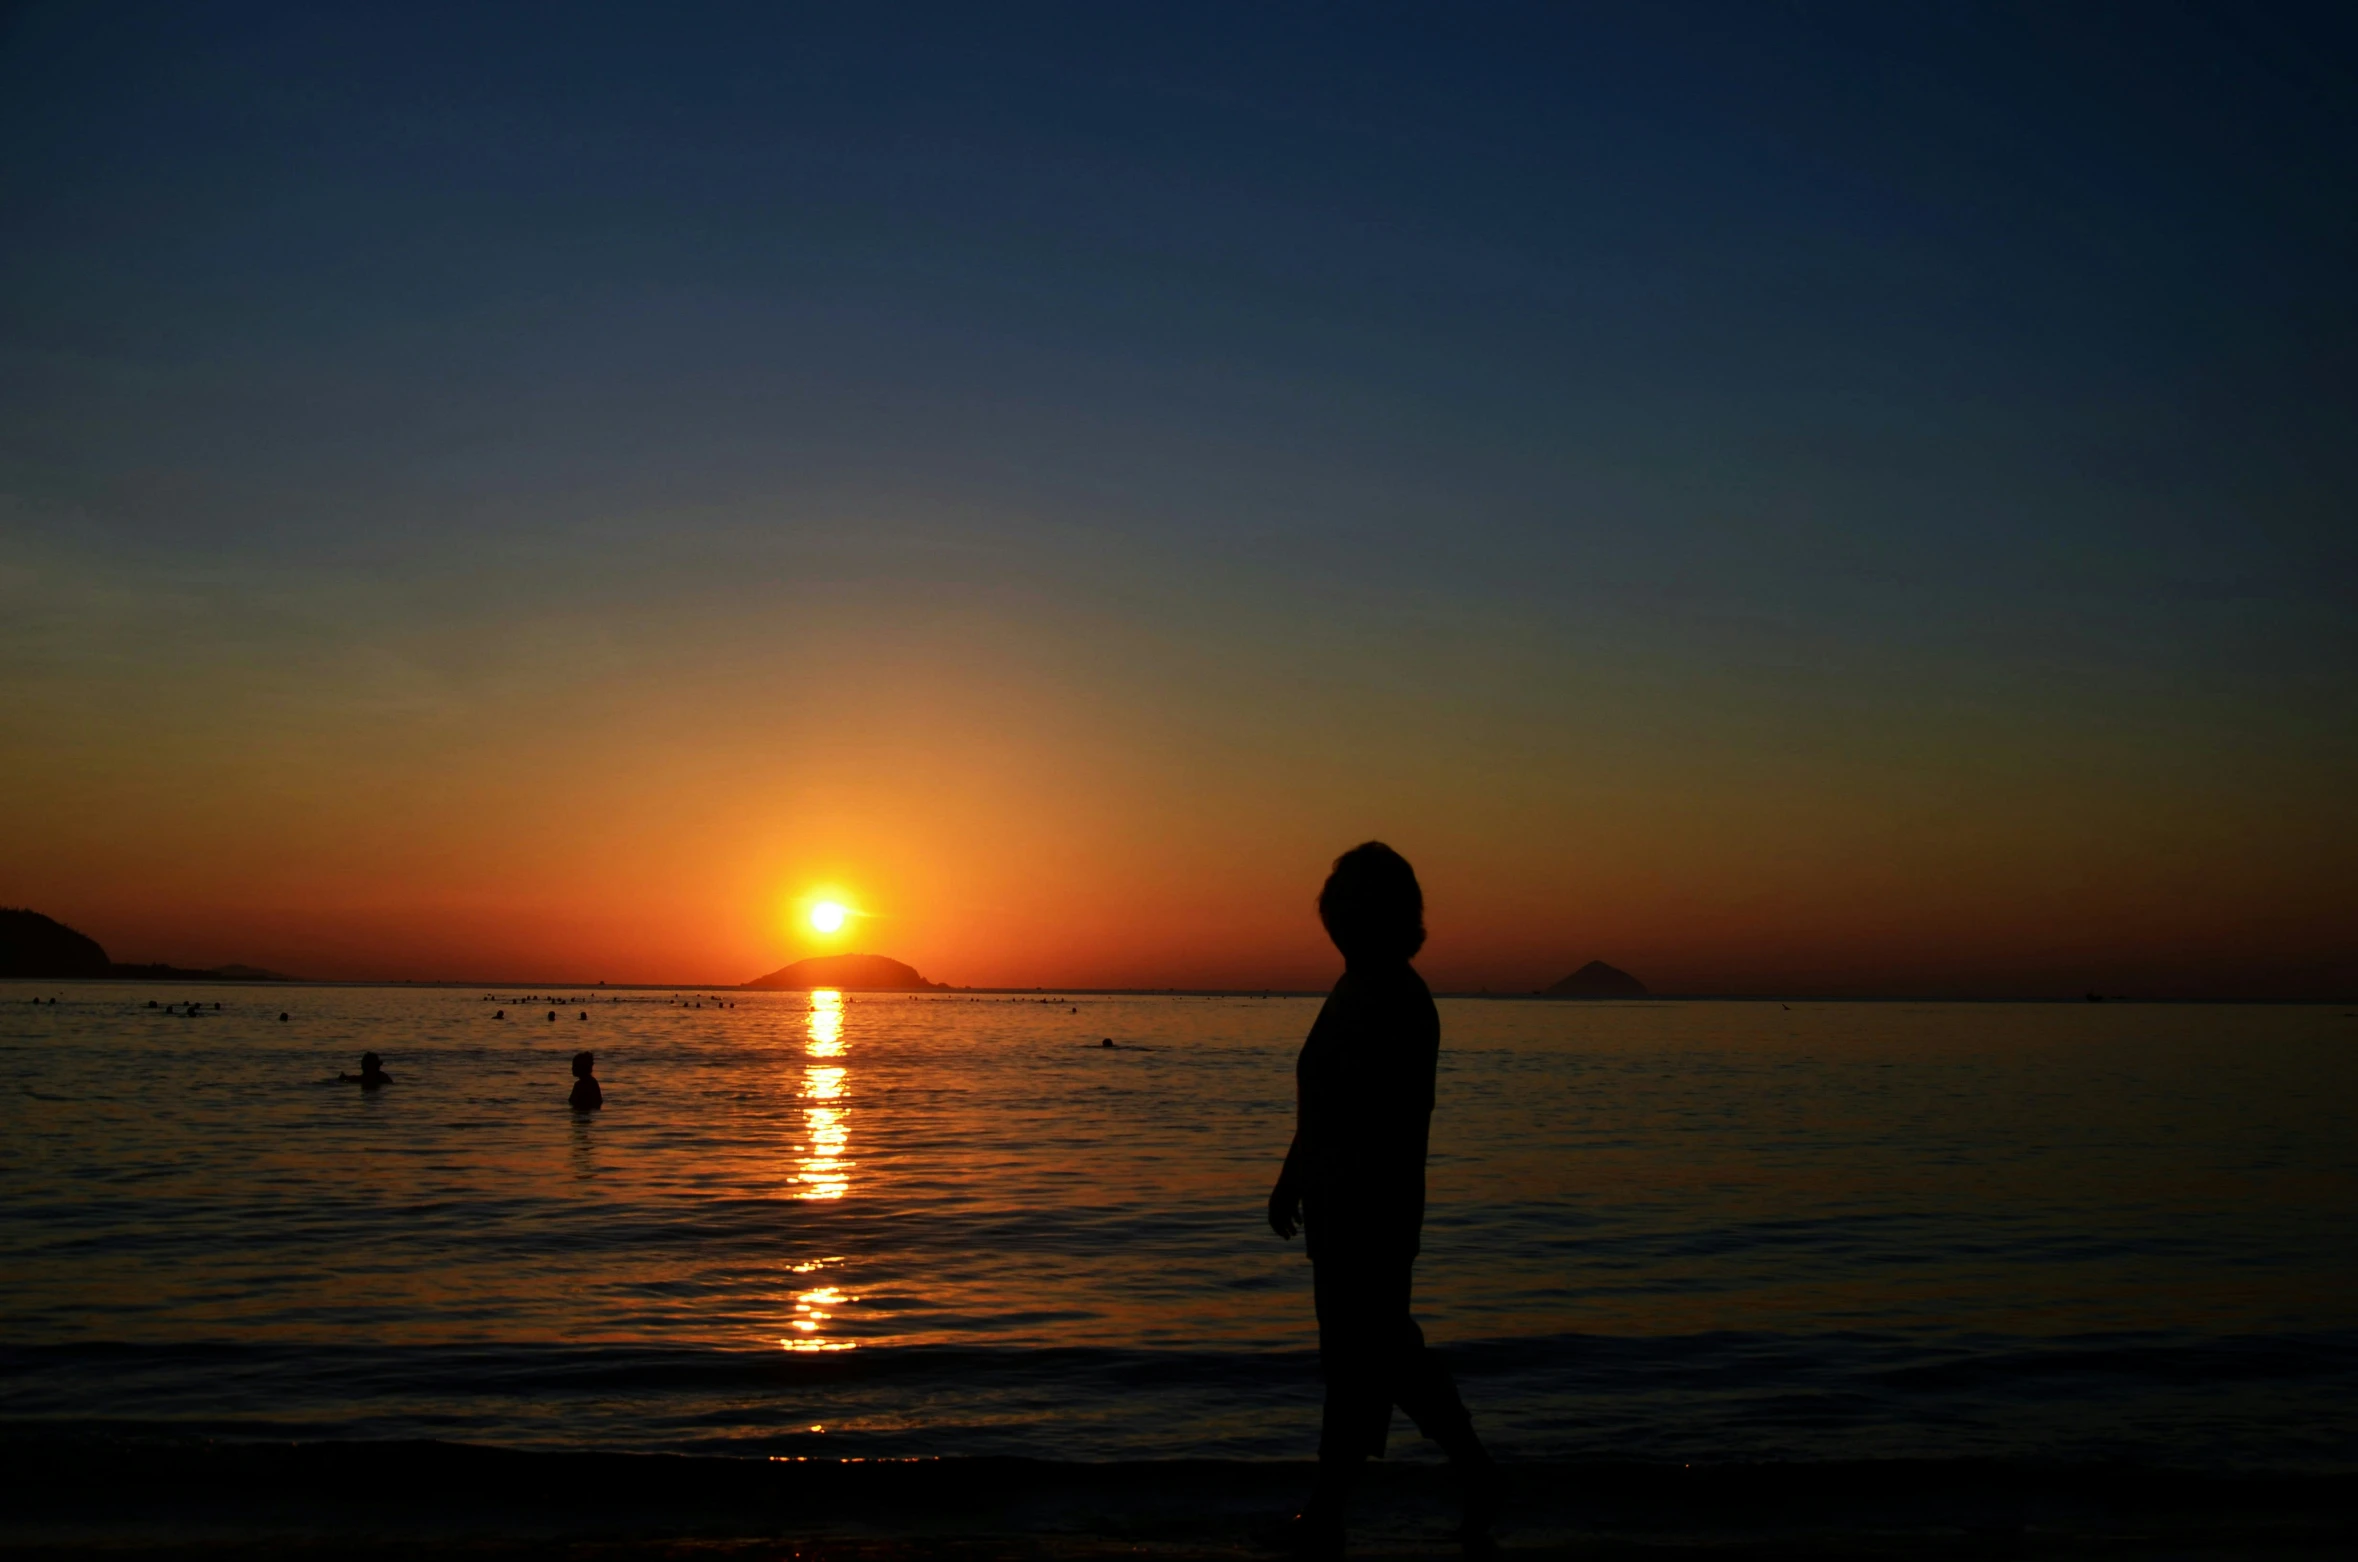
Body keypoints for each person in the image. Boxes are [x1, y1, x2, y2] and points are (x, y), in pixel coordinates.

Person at [1268, 842, 1495, 1557]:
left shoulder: (1395, 996)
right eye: (1333, 904)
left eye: (1348, 904)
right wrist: (1293, 1173)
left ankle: (1329, 1512)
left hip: (1374, 1205)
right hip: (1341, 1203)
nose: (1334, 915)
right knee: (1381, 1353)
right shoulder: (1357, 985)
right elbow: (1324, 1101)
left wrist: (1317, 1174)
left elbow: (1379, 1113)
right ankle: (1474, 1475)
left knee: (1363, 1358)